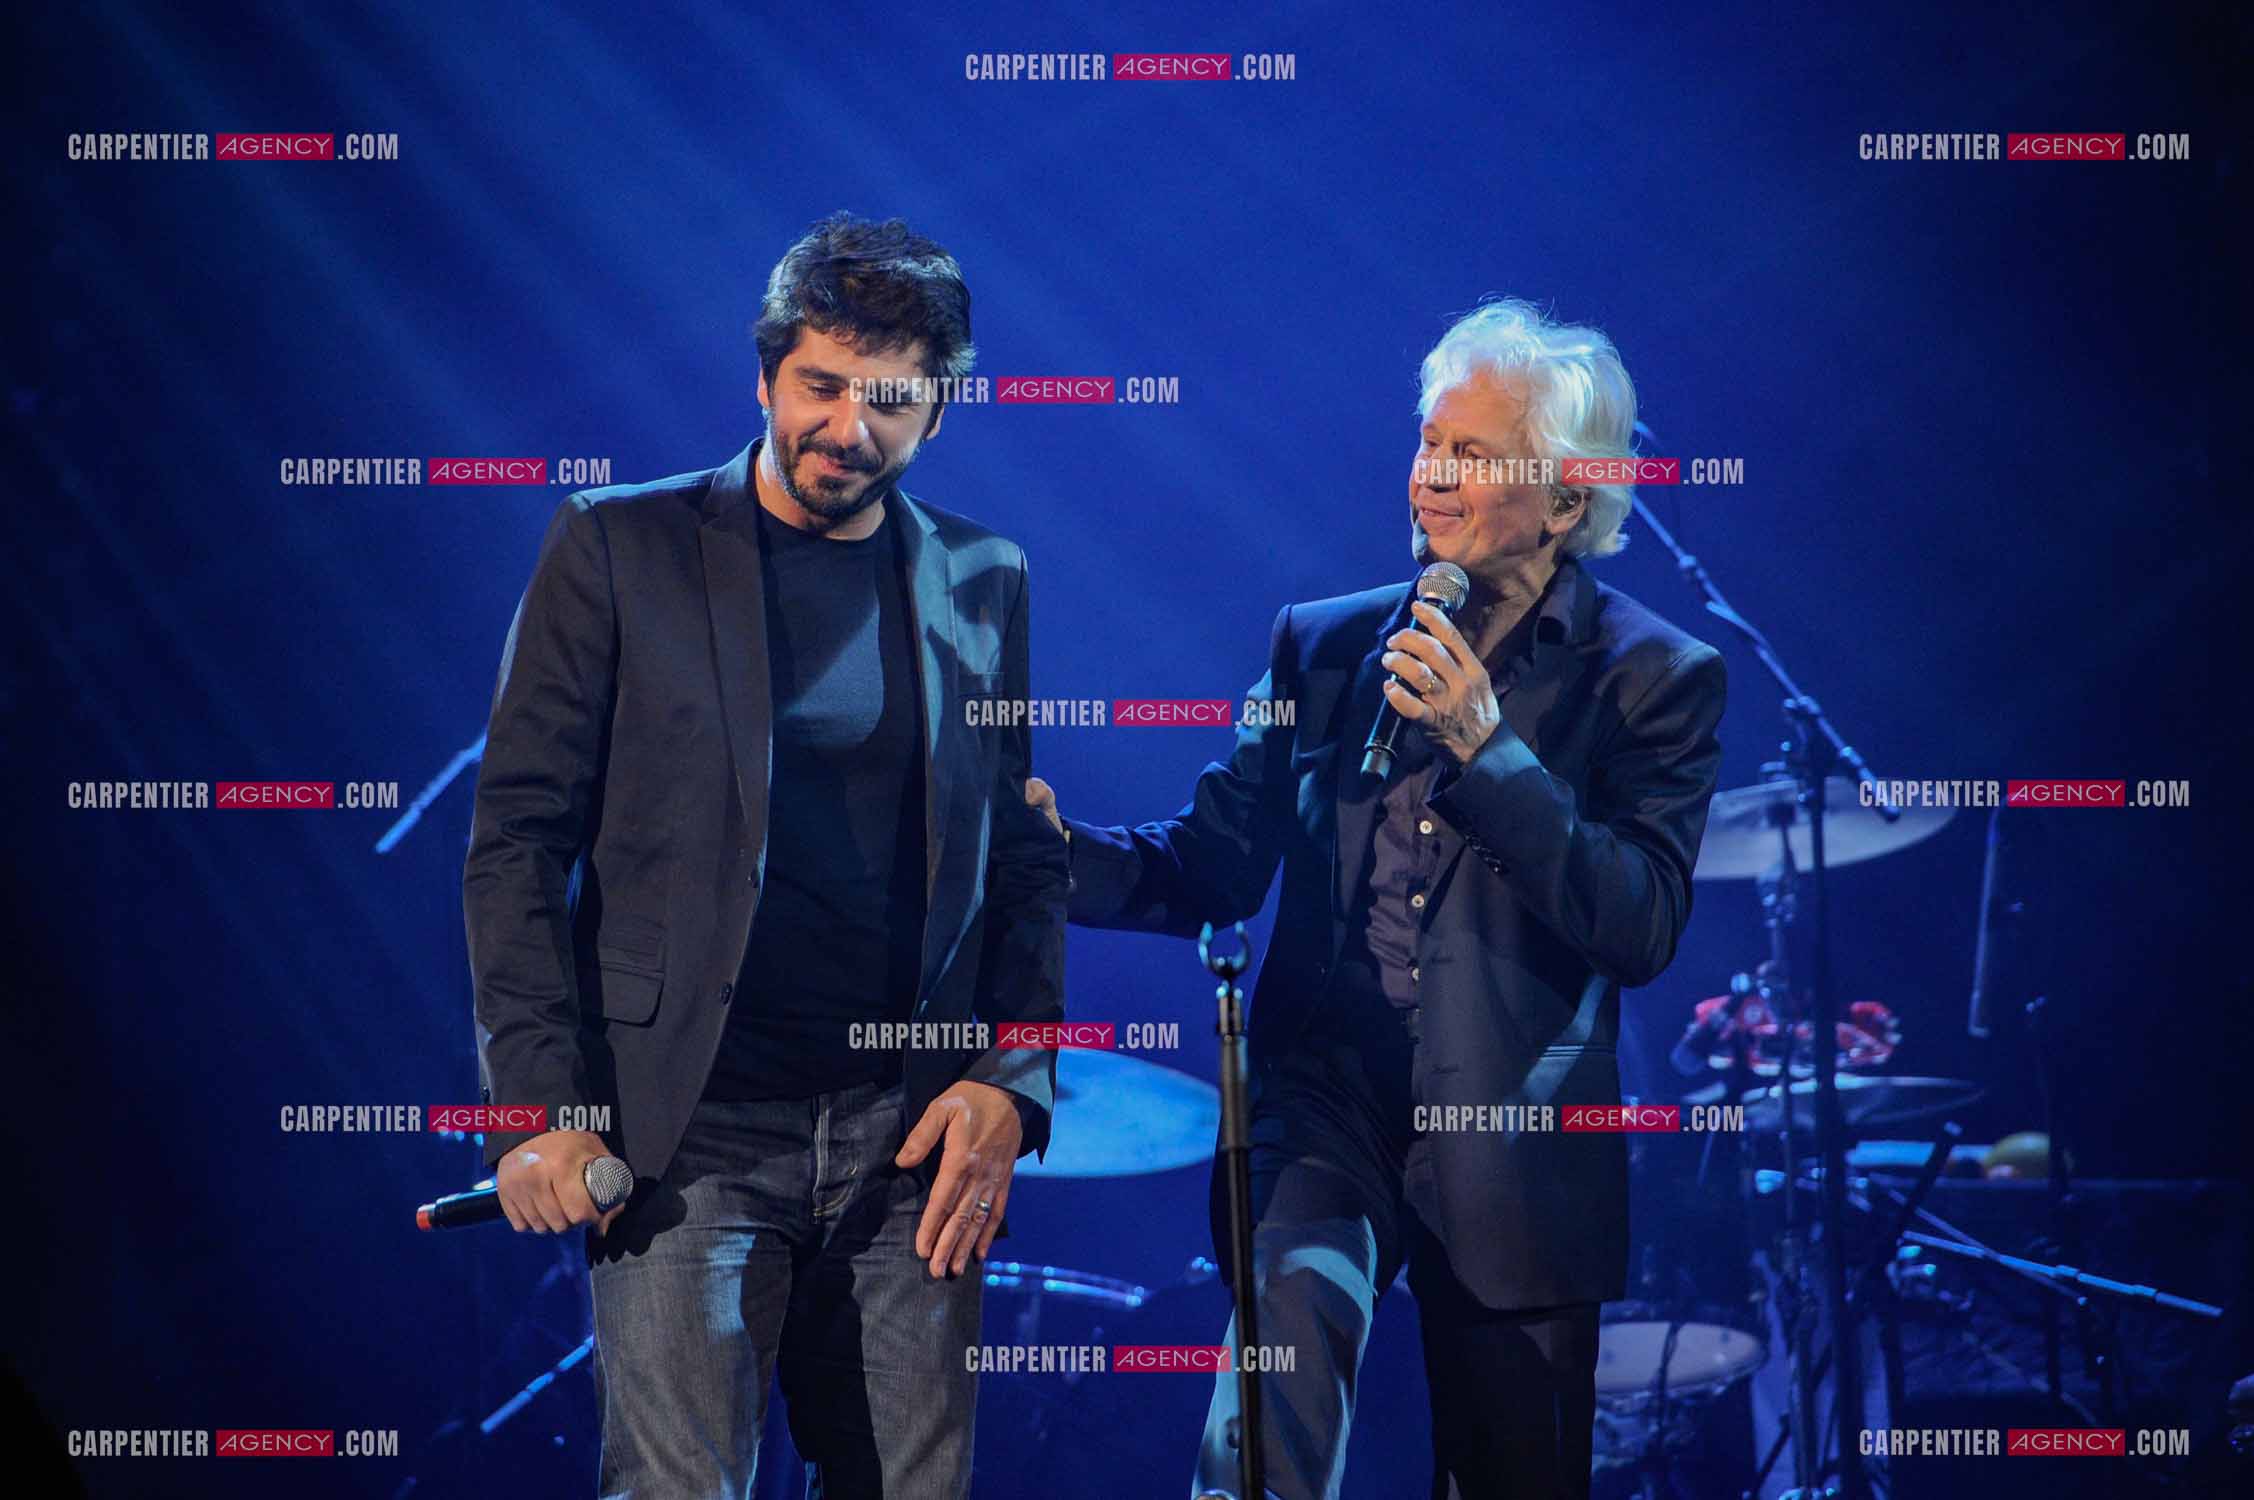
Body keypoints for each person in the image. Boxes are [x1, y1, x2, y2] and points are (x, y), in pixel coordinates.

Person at [1027, 299, 1728, 1499]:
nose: (1434, 479)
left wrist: (1485, 750)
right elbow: (1208, 864)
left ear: (1566, 501)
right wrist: (1044, 853)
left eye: (1474, 455)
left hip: (1514, 1137)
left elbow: (1640, 923)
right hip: (1322, 1108)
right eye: (1429, 444)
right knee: (1264, 1433)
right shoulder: (1327, 647)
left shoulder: (1652, 675)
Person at [464, 213, 1067, 1499]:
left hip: (910, 1140)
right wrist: (537, 1108)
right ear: (764, 376)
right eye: (822, 385)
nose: (850, 426)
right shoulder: (620, 547)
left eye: (891, 400)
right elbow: (515, 843)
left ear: (940, 413)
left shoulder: (985, 578)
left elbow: (1022, 855)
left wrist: (1013, 1081)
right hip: (686, 1132)